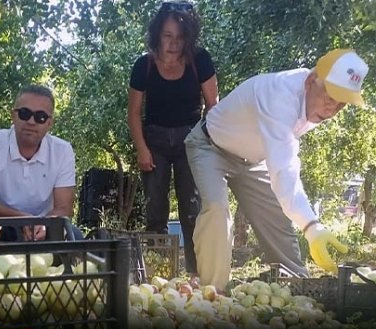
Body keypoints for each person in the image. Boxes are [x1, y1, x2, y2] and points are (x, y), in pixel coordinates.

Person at [184, 49, 369, 292]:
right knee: (217, 210)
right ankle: (212, 295)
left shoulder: (313, 100)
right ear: (310, 80)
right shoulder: (279, 95)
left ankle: (300, 291)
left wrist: (311, 228)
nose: (332, 108)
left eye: (342, 103)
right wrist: (312, 227)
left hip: (254, 159)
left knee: (278, 222)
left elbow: (281, 160)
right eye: (330, 96)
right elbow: (284, 170)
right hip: (210, 146)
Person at [127, 1, 218, 276]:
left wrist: (205, 140)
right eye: (168, 35)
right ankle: (157, 275)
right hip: (154, 141)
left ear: (188, 37)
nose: (173, 43)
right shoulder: (143, 65)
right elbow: (134, 113)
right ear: (157, 34)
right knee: (155, 211)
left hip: (192, 139)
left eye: (180, 37)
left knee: (192, 210)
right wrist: (142, 149)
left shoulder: (200, 60)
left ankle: (195, 275)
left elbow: (213, 105)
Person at [0, 84, 80, 241]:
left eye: (40, 117)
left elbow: (64, 208)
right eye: (24, 113)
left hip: (44, 227)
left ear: (49, 123)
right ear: (13, 115)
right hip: (0, 227)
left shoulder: (62, 150)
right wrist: (22, 219)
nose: (31, 121)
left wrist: (42, 225)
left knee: (75, 236)